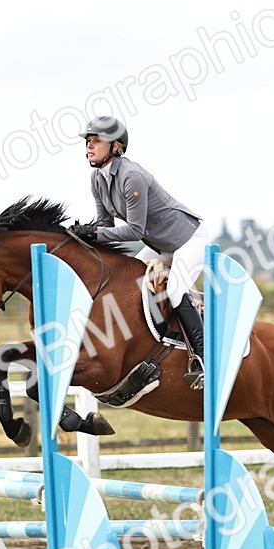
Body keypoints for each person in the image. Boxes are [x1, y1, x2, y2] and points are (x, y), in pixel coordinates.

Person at [68, 116, 212, 387]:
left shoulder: (131, 176)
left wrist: (95, 233)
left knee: (175, 290)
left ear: (116, 146)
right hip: (162, 245)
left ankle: (206, 360)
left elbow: (135, 230)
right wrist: (84, 235)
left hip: (188, 240)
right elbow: (105, 225)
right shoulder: (97, 178)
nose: (89, 146)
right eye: (88, 141)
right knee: (127, 281)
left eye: (96, 140)